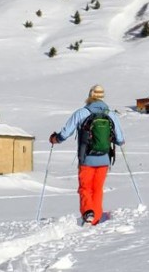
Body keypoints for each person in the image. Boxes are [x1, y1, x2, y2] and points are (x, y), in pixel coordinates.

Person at [49, 85, 125, 225]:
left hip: (86, 159)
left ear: (89, 97)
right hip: (104, 159)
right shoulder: (111, 114)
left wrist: (55, 138)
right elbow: (120, 140)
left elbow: (65, 134)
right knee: (97, 189)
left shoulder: (81, 113)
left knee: (85, 188)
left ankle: (87, 212)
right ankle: (95, 219)